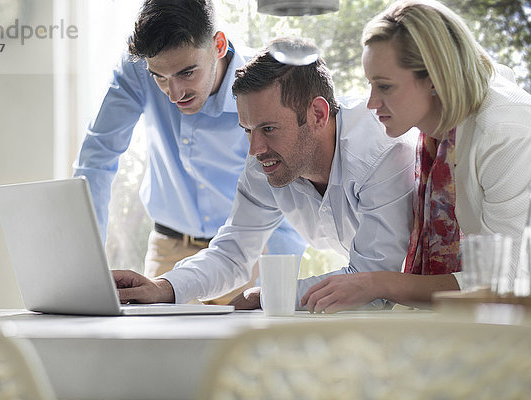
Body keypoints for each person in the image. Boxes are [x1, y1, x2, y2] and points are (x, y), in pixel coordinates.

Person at [112, 37, 418, 307]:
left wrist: (270, 295)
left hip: (431, 298)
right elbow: (232, 254)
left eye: (269, 128)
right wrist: (163, 287)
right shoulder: (267, 161)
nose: (255, 148)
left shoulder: (383, 150)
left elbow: (373, 283)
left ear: (318, 114)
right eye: (247, 130)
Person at [301, 0, 531, 313]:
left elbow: (505, 280)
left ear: (435, 78)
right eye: (371, 84)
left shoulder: (505, 133)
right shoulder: (435, 131)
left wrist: (376, 282)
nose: (371, 102)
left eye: (385, 86)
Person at [73, 0, 305, 303]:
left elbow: (287, 186)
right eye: (160, 77)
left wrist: (277, 280)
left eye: (187, 72)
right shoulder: (138, 69)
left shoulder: (263, 86)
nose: (174, 93)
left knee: (241, 349)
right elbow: (97, 162)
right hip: (167, 252)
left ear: (218, 45)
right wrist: (83, 268)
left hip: (249, 254)